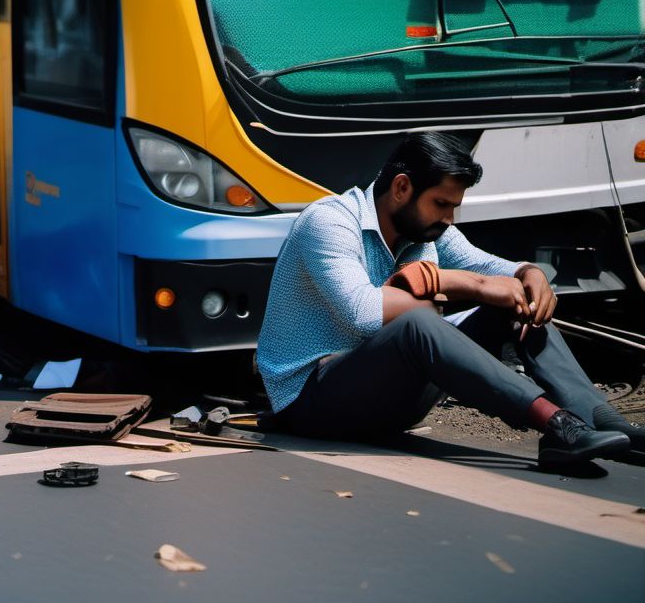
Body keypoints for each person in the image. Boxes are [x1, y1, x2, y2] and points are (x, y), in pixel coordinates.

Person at [257, 132, 642, 468]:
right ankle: (558, 425)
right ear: (402, 188)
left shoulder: (425, 228)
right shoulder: (329, 222)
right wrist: (463, 284)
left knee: (510, 307)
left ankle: (607, 423)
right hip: (311, 402)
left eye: (454, 206)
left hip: (387, 399)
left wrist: (529, 273)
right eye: (441, 204)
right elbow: (362, 314)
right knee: (418, 322)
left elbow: (488, 265)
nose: (450, 218)